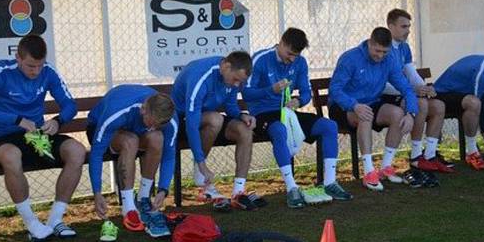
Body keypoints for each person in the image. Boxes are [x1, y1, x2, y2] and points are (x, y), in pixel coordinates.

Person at [0, 35, 86, 240]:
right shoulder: (0, 71)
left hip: (36, 136)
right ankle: (32, 223)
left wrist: (57, 121)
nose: (35, 71)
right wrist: (16, 120)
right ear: (17, 57)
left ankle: (55, 220)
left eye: (40, 65)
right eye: (30, 66)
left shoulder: (48, 72)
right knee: (11, 156)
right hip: (3, 137)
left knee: (77, 151)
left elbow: (70, 105)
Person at [243, 28, 353, 209]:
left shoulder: (300, 62)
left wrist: (298, 101)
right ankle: (292, 188)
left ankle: (330, 182)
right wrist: (271, 90)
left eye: (296, 55)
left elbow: (306, 93)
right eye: (289, 54)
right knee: (279, 129)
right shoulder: (261, 59)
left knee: (329, 126)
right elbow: (246, 94)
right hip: (263, 113)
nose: (292, 59)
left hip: (287, 112)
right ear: (282, 43)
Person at [329, 27, 419, 191]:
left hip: (371, 102)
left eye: (385, 52)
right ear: (370, 43)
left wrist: (411, 113)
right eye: (377, 50)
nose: (381, 56)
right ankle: (369, 172)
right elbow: (335, 90)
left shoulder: (389, 59)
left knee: (398, 114)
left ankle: (385, 167)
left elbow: (406, 88)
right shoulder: (350, 58)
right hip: (343, 106)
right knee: (366, 116)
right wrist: (354, 105)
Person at [172, 51, 264, 211]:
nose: (237, 85)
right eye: (236, 79)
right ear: (226, 67)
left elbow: (230, 106)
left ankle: (238, 192)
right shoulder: (200, 76)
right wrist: (201, 163)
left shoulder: (232, 78)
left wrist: (242, 116)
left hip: (209, 118)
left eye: (240, 82)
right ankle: (202, 181)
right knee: (215, 119)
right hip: (181, 121)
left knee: (245, 130)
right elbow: (192, 123)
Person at [87, 85, 177, 238]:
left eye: (159, 125)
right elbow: (96, 153)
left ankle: (143, 198)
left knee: (157, 137)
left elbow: (169, 155)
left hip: (135, 131)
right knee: (131, 140)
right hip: (100, 129)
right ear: (143, 110)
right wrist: (97, 192)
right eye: (152, 122)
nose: (154, 127)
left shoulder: (169, 119)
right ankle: (128, 206)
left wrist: (163, 189)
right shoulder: (117, 111)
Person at [382, 9, 452, 175]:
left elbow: (411, 72)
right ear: (390, 26)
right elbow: (381, 84)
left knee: (439, 106)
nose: (407, 31)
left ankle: (429, 155)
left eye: (409, 27)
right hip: (386, 97)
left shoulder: (404, 47)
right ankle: (415, 155)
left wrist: (424, 87)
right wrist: (413, 91)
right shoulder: (382, 47)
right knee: (420, 104)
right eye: (403, 26)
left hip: (405, 93)